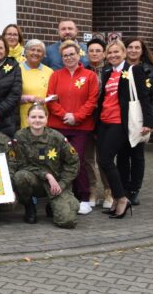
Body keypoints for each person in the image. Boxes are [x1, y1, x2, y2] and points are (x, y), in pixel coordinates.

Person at [95, 40, 153, 219]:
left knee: (105, 160)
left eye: (116, 52)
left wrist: (148, 122)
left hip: (120, 122)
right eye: (109, 53)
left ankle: (121, 198)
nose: (113, 55)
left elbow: (143, 97)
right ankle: (116, 199)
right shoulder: (107, 71)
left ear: (123, 53)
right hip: (104, 121)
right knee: (108, 161)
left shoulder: (133, 70)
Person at [46, 40, 100, 215]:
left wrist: (76, 117)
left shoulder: (89, 76)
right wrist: (63, 115)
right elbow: (51, 100)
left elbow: (92, 101)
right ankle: (61, 195)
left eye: (72, 54)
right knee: (58, 161)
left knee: (77, 159)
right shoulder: (55, 76)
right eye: (65, 55)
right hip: (58, 126)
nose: (69, 57)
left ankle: (83, 196)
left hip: (81, 127)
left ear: (79, 56)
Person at [9, 103, 80, 228]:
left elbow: (73, 162)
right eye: (33, 117)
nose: (37, 120)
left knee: (67, 222)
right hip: (34, 181)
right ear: (27, 119)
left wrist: (62, 184)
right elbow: (21, 165)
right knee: (20, 177)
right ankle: (29, 207)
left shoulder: (57, 137)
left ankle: (53, 205)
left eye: (41, 117)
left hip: (56, 185)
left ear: (47, 119)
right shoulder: (19, 137)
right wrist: (47, 175)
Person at [124, 38, 153, 206]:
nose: (133, 50)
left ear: (142, 51)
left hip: (140, 119)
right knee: (122, 156)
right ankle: (123, 189)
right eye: (130, 47)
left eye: (137, 48)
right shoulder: (119, 69)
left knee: (137, 156)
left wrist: (150, 122)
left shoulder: (149, 71)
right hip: (121, 120)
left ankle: (134, 190)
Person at [83, 38, 111, 209]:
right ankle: (91, 189)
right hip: (86, 120)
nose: (94, 53)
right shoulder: (82, 71)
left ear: (104, 53)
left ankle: (109, 190)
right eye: (91, 51)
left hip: (105, 121)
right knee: (87, 158)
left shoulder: (110, 72)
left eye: (98, 51)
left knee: (103, 158)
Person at [19, 39, 53, 128]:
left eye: (39, 51)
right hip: (24, 118)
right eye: (32, 49)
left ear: (43, 55)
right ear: (26, 52)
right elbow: (12, 95)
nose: (35, 53)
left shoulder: (49, 72)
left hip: (44, 118)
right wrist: (31, 98)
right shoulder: (17, 70)